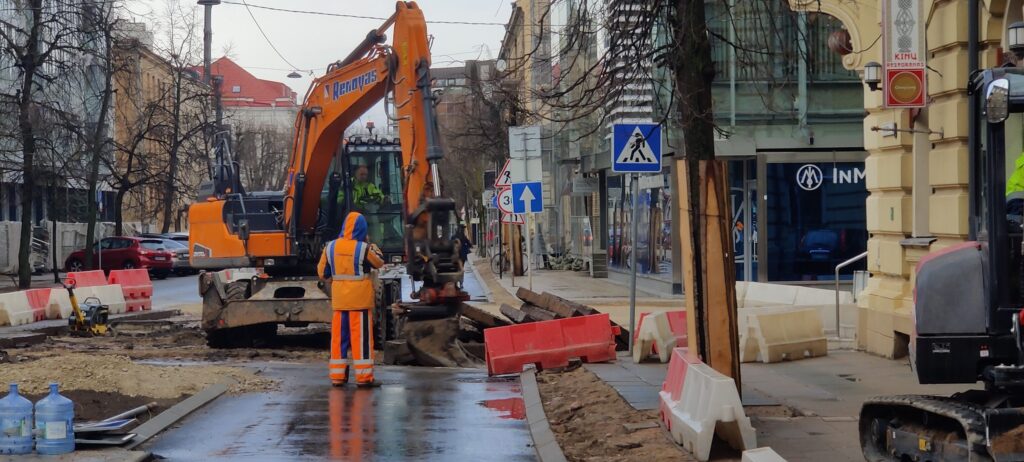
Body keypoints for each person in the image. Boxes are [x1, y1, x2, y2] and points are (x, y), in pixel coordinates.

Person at [317, 211, 385, 387]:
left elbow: (322, 273)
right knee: (361, 341)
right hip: (359, 303)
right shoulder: (363, 248)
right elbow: (379, 262)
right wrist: (371, 245)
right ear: (362, 229)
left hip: (340, 303)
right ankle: (363, 378)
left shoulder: (330, 247)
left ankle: (337, 377)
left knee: (338, 340)